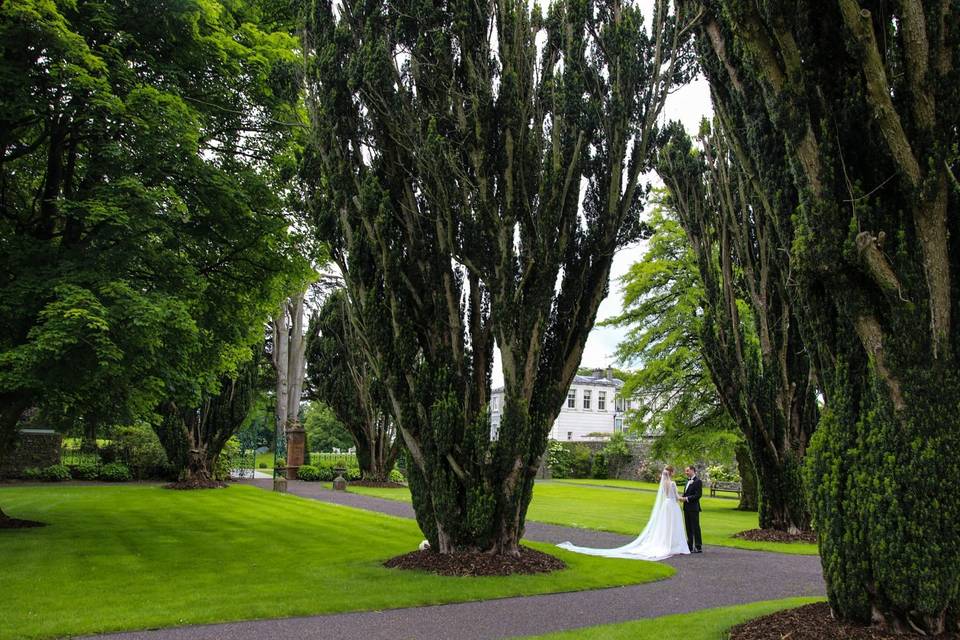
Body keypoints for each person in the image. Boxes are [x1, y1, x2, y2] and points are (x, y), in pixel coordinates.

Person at [557, 466, 689, 560]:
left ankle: (667, 544)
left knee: (665, 526)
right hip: (672, 506)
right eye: (673, 471)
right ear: (671, 473)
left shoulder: (664, 484)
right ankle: (673, 545)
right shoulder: (672, 483)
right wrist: (686, 498)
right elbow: (676, 498)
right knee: (673, 526)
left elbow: (667, 496)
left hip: (666, 505)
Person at [679, 465, 703, 553]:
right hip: (686, 508)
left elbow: (698, 495)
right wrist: (682, 497)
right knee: (688, 527)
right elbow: (686, 493)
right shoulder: (687, 481)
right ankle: (689, 546)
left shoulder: (698, 481)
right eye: (685, 471)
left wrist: (686, 499)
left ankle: (698, 546)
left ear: (693, 470)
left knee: (695, 527)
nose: (686, 472)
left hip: (694, 508)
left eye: (687, 471)